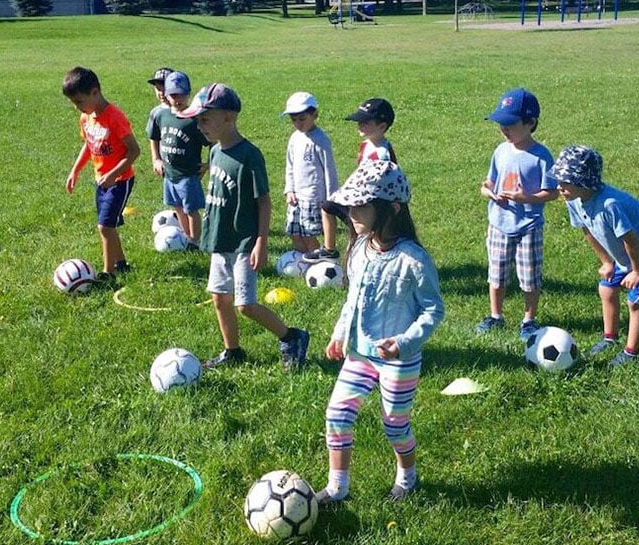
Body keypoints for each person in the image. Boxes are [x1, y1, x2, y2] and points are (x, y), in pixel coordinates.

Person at [316, 160, 445, 504]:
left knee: (394, 424)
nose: (351, 214)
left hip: (397, 361)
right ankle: (337, 488)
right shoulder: (360, 249)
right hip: (360, 354)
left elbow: (434, 310)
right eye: (350, 207)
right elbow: (353, 299)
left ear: (391, 209)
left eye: (360, 206)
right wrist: (340, 332)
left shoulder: (413, 260)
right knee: (337, 415)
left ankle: (408, 477)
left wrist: (404, 343)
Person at [180, 83, 310, 370]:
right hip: (220, 240)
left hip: (243, 242)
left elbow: (263, 201)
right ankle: (233, 351)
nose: (200, 126)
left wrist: (261, 242)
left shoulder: (250, 155)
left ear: (229, 117)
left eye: (205, 119)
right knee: (219, 298)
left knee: (245, 305)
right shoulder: (214, 152)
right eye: (198, 120)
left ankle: (292, 337)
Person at [549, 145, 639, 367]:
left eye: (565, 181)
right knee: (606, 288)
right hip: (625, 254)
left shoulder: (610, 204)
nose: (559, 186)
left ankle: (631, 353)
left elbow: (631, 240)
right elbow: (588, 231)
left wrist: (636, 271)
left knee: (636, 301)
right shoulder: (573, 200)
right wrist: (607, 262)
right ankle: (610, 338)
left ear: (584, 181)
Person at [476, 88, 559, 340]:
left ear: (530, 123)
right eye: (501, 124)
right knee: (497, 274)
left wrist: (527, 198)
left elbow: (552, 192)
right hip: (499, 223)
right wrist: (489, 193)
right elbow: (488, 183)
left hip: (528, 226)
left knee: (529, 276)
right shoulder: (501, 151)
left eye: (510, 124)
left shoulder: (540, 156)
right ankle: (496, 316)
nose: (504, 129)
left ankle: (529, 319)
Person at [62, 66, 140, 284]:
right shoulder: (86, 118)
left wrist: (114, 174)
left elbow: (134, 151)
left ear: (95, 92)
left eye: (79, 101)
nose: (77, 107)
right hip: (101, 180)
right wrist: (75, 170)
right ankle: (121, 264)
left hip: (120, 180)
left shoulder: (115, 117)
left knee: (105, 227)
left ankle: (108, 274)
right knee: (109, 225)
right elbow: (89, 145)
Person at [305, 97, 397, 262]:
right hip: (358, 198)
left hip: (373, 204)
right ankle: (329, 249)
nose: (360, 125)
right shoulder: (366, 145)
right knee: (327, 206)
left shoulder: (383, 154)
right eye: (359, 121)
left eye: (365, 122)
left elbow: (383, 184)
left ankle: (369, 257)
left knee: (366, 233)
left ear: (382, 126)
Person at [151, 70, 209, 248]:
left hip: (188, 175)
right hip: (169, 174)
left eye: (182, 94)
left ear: (189, 93)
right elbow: (154, 136)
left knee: (191, 210)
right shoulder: (161, 116)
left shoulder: (194, 119)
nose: (178, 99)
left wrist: (209, 164)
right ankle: (185, 235)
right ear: (167, 95)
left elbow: (213, 141)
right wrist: (157, 159)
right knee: (177, 207)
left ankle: (195, 241)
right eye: (173, 94)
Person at [281, 91, 339, 254]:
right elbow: (290, 165)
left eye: (302, 119)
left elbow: (329, 169)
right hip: (296, 196)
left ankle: (318, 260)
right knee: (293, 232)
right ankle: (302, 260)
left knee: (308, 234)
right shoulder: (294, 138)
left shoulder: (321, 140)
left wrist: (331, 197)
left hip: (313, 196)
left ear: (314, 115)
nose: (298, 123)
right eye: (294, 120)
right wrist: (289, 189)